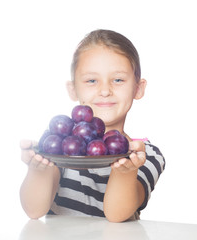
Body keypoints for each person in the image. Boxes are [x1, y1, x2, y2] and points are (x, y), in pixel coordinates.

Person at [20, 29, 165, 222]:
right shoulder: (64, 147)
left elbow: (116, 215)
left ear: (138, 88)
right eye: (91, 80)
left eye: (118, 80)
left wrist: (126, 172)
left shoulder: (145, 155)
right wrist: (38, 169)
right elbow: (34, 210)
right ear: (73, 90)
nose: (105, 90)